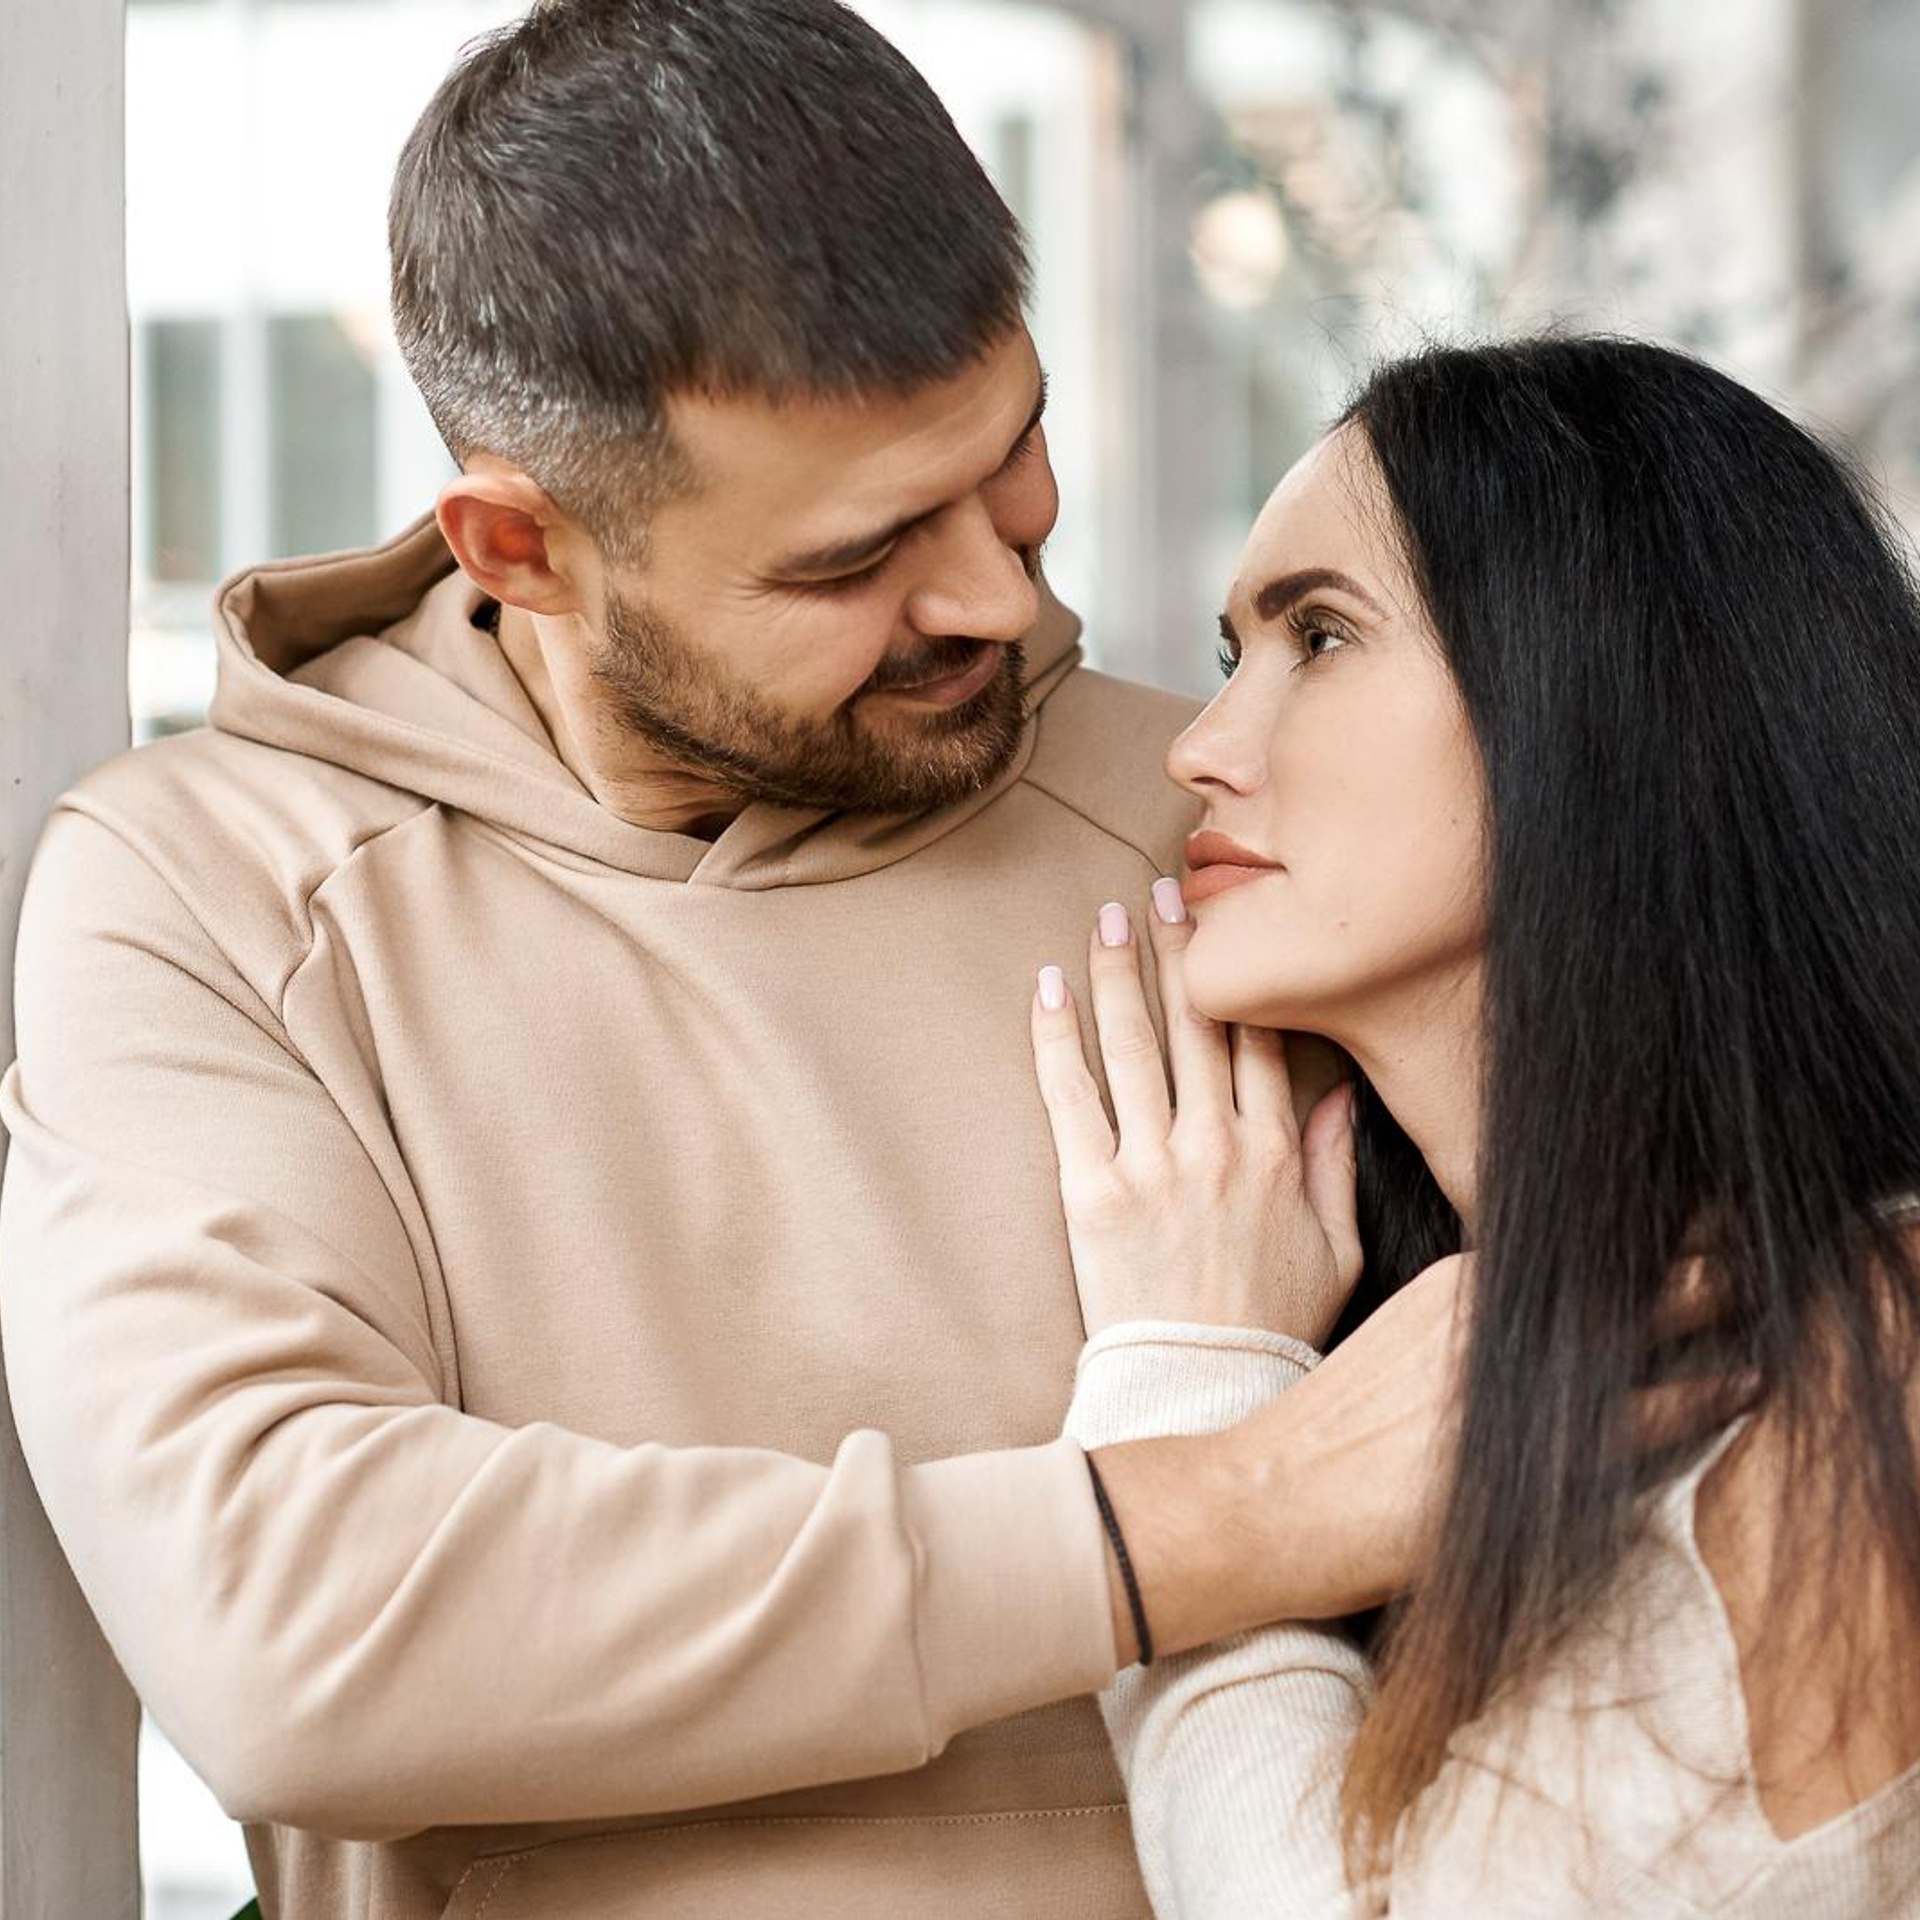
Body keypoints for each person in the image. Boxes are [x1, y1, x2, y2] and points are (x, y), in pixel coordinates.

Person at [0, 3, 1448, 1915]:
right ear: (517, 548)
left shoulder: (1245, 828)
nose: (999, 596)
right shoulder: (211, 898)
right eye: (856, 558)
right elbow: (301, 1625)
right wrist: (1210, 1515)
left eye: (1011, 459)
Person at [1028, 336, 1920, 1915]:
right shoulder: (1531, 1342)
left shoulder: (1865, 1367)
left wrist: (1192, 1385)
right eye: (1236, 654)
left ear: (1606, 690)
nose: (1201, 746)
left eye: (1320, 633)